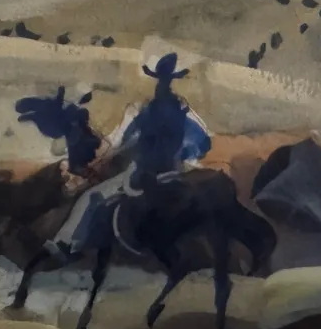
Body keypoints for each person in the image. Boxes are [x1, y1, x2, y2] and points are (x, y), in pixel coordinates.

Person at [42, 53, 210, 262]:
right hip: (175, 170)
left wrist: (108, 156)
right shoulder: (185, 111)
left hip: (143, 171)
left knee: (90, 197)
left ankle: (65, 243)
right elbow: (203, 142)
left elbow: (118, 142)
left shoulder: (142, 111)